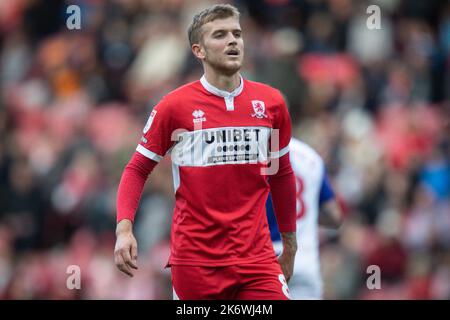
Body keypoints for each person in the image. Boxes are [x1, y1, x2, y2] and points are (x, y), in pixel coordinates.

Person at [114, 4, 297, 300]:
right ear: (198, 50)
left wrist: (290, 244)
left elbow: (282, 174)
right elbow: (136, 169)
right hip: (197, 264)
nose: (233, 41)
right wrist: (124, 229)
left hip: (257, 260)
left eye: (237, 33)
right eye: (220, 35)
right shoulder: (174, 107)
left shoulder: (271, 103)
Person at [266, 138, 343, 299]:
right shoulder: (310, 157)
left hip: (267, 263)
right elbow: (335, 217)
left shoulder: (258, 154)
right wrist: (309, 215)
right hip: (305, 263)